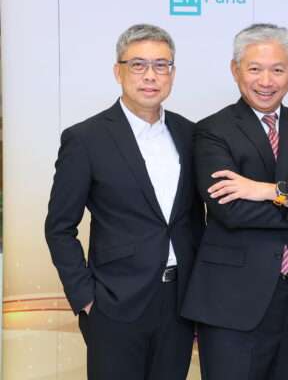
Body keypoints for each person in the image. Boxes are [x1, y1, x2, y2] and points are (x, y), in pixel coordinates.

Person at [181, 23, 288, 380]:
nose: (266, 81)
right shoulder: (212, 130)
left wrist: (271, 191)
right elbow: (230, 209)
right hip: (231, 301)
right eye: (255, 69)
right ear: (235, 69)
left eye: (278, 70)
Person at [45, 23, 202, 379]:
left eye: (161, 65)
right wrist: (86, 298)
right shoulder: (85, 139)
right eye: (138, 65)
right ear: (118, 72)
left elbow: (195, 219)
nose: (150, 76)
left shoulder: (191, 134)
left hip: (179, 304)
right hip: (114, 305)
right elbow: (59, 227)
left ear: (173, 73)